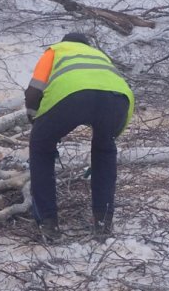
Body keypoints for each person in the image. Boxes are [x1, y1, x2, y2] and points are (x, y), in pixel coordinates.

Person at [24, 32, 134, 242]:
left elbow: (34, 91)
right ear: (87, 44)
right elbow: (115, 92)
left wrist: (36, 122)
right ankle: (103, 222)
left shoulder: (56, 50)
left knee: (40, 148)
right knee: (104, 150)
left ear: (65, 42)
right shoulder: (99, 55)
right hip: (118, 100)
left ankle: (48, 223)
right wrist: (111, 136)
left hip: (72, 96)